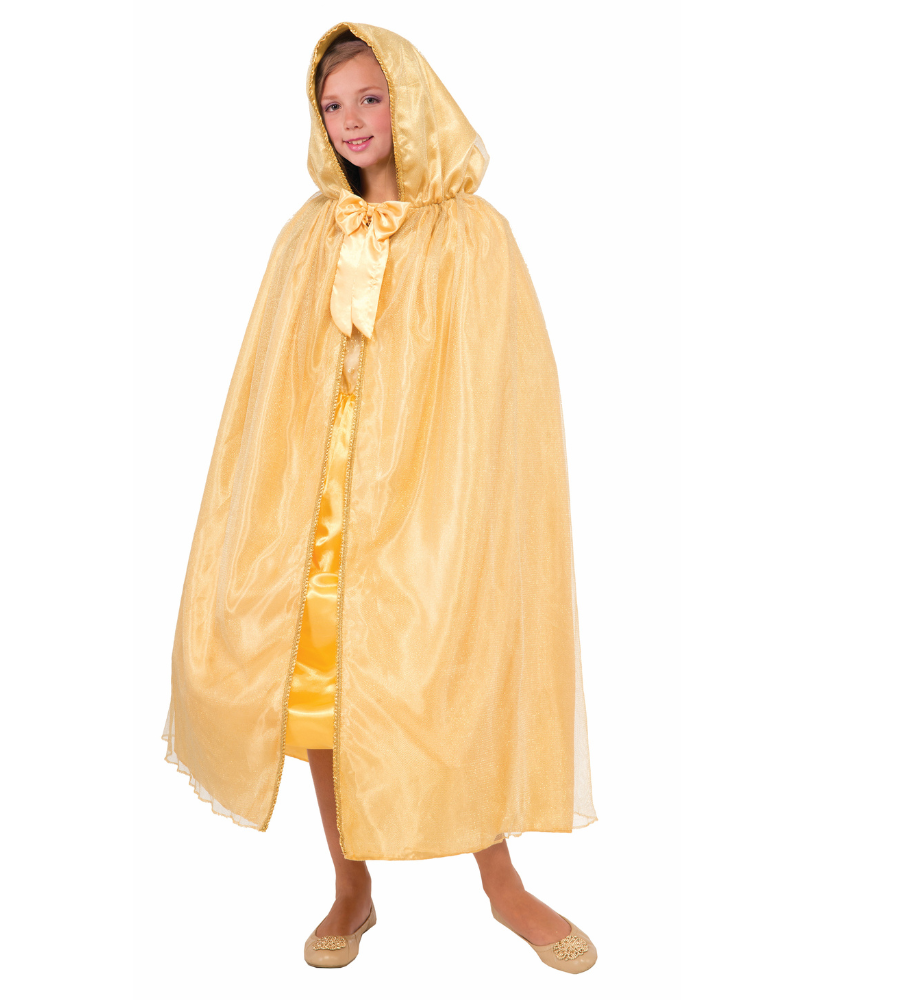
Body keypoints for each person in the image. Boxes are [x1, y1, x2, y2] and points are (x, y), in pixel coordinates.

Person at [163, 22, 598, 974]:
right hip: (317, 506)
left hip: (431, 504)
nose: (352, 121)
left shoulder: (474, 235)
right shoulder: (308, 233)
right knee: (320, 687)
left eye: (371, 97)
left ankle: (502, 883)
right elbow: (265, 385)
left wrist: (456, 506)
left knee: (447, 675)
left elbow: (505, 393)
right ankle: (350, 885)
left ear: (412, 101)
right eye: (333, 105)